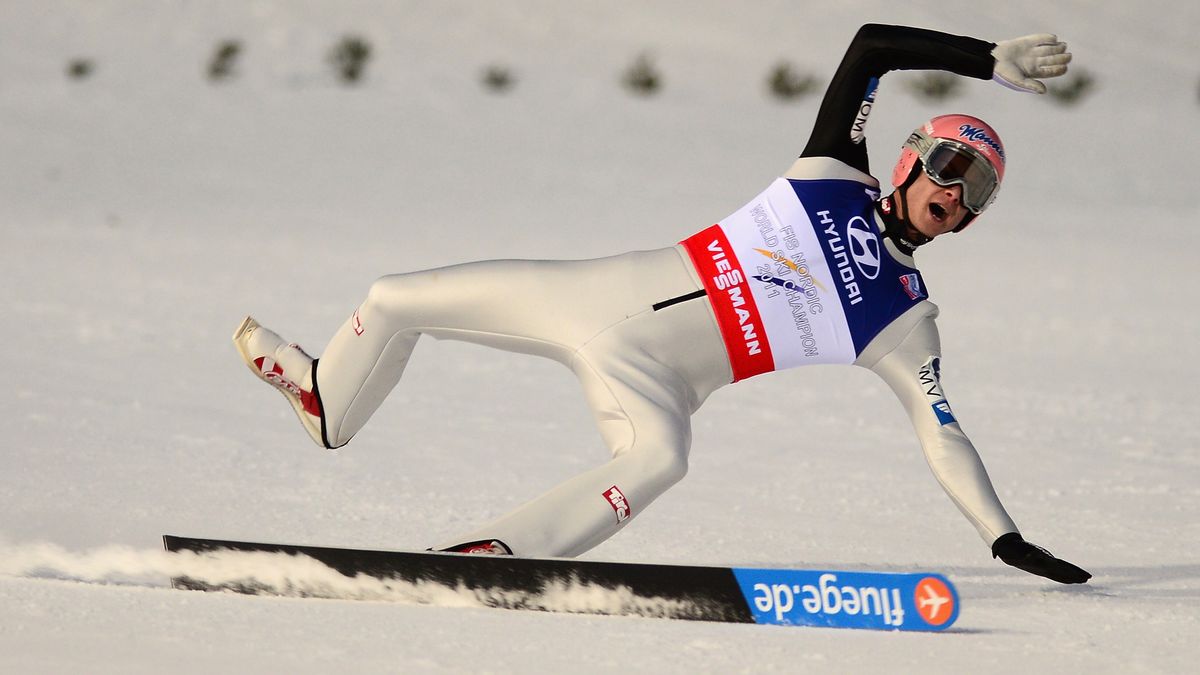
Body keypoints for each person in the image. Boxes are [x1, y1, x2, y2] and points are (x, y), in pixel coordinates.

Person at [234, 24, 1090, 583]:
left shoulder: (905, 316)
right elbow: (869, 48)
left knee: (660, 460)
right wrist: (983, 62)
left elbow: (943, 430)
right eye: (950, 166)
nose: (958, 193)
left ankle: (496, 556)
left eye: (978, 189)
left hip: (661, 386)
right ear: (907, 160)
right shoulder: (832, 171)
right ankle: (325, 399)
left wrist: (1001, 536)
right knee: (393, 297)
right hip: (588, 298)